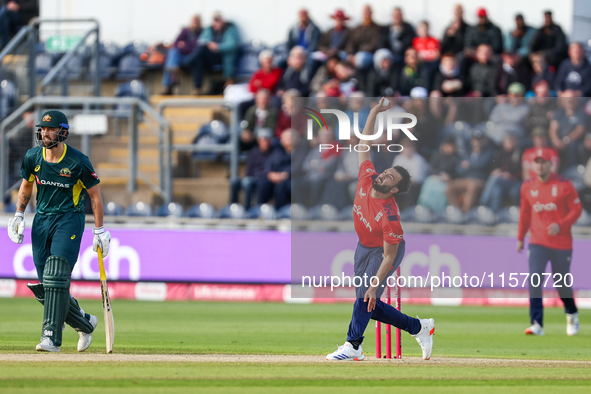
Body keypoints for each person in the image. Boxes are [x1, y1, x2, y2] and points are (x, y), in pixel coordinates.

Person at [326, 98, 434, 362]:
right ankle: (419, 327)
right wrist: (374, 111)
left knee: (366, 296)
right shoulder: (366, 176)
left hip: (384, 251)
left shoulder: (390, 217)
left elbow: (389, 257)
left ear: (394, 189)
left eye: (390, 178)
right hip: (363, 246)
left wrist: (374, 284)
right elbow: (364, 143)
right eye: (386, 172)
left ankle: (353, 346)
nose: (384, 176)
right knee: (368, 305)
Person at [7, 110, 111, 352]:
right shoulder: (33, 156)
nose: (45, 133)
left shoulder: (78, 161)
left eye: (50, 129)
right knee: (47, 285)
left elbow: (95, 196)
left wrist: (100, 230)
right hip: (42, 220)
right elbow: (26, 185)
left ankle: (50, 337)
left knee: (56, 276)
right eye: (43, 129)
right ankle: (84, 322)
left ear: (62, 132)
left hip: (69, 219)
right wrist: (19, 215)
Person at [517, 148, 582, 336]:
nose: (539, 165)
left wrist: (560, 224)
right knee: (535, 278)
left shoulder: (564, 184)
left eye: (543, 162)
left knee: (561, 283)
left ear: (550, 164)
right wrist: (520, 237)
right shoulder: (527, 186)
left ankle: (571, 313)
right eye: (536, 162)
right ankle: (537, 323)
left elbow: (576, 210)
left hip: (561, 243)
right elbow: (525, 213)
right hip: (537, 241)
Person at [194, 11, 240, 94]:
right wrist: (209, 43)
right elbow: (200, 41)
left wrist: (218, 47)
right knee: (199, 56)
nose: (217, 22)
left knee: (197, 56)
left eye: (218, 20)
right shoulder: (209, 29)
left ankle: (188, 62)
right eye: (215, 20)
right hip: (211, 56)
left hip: (224, 56)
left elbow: (232, 45)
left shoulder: (230, 28)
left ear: (222, 20)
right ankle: (198, 88)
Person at [230, 128, 274, 209]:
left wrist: (251, 177)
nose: (264, 142)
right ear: (259, 141)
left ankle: (247, 210)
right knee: (234, 181)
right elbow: (249, 168)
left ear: (270, 141)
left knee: (247, 183)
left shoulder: (273, 153)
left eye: (266, 140)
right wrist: (248, 176)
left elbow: (268, 171)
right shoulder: (254, 152)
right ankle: (233, 208)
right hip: (252, 176)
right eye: (262, 140)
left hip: (262, 178)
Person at [161, 15, 202, 95]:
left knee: (172, 58)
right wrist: (185, 46)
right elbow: (176, 43)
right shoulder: (185, 31)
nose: (195, 23)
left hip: (190, 57)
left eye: (197, 21)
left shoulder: (200, 33)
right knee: (173, 52)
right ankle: (173, 70)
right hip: (180, 57)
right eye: (194, 21)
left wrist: (184, 45)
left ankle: (170, 81)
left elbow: (195, 48)